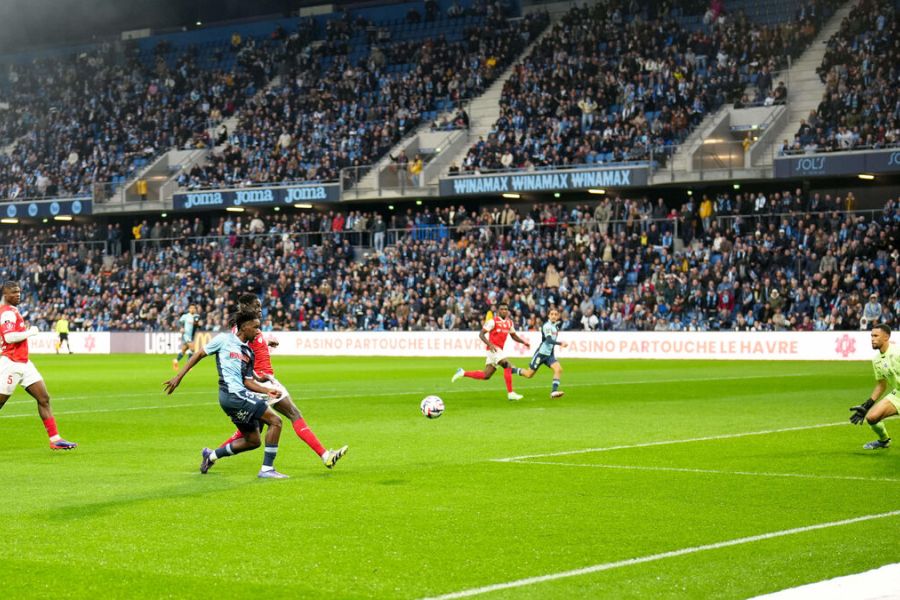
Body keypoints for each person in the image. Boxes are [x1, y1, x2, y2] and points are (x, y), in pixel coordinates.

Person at [218, 294, 348, 469]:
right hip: (262, 382)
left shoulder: (250, 327)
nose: (260, 309)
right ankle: (325, 456)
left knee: (252, 432)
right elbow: (241, 353)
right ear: (247, 307)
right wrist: (256, 377)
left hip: (264, 379)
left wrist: (265, 343)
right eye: (256, 306)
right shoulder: (240, 332)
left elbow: (252, 346)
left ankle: (211, 455)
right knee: (293, 413)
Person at [163, 310, 288, 478]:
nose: (258, 331)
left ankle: (211, 455)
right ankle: (267, 469)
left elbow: (248, 381)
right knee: (276, 421)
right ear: (243, 327)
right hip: (232, 395)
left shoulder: (248, 352)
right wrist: (179, 377)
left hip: (236, 396)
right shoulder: (224, 340)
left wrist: (266, 389)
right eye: (255, 327)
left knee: (253, 441)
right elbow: (199, 353)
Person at [0, 281, 77, 450]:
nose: (18, 294)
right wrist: (31, 332)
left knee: (44, 398)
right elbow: (9, 338)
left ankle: (55, 439)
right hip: (10, 363)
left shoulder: (13, 311)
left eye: (19, 291)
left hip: (24, 363)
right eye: (14, 292)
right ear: (6, 295)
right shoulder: (6, 313)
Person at [452, 302, 530, 401]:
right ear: (498, 311)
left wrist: (524, 342)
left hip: (498, 350)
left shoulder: (509, 322)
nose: (504, 311)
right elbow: (481, 334)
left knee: (486, 375)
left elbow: (513, 335)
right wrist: (490, 344)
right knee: (507, 365)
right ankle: (511, 393)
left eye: (506, 309)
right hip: (493, 349)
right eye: (502, 309)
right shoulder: (493, 321)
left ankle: (462, 373)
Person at [849, 323, 899, 449]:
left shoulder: (897, 353)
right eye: (871, 336)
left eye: (876, 336)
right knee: (872, 418)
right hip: (898, 393)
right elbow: (881, 385)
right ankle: (884, 441)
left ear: (886, 337)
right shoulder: (876, 360)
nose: (872, 339)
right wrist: (867, 405)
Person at [512, 307, 568, 398]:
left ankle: (554, 392)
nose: (554, 316)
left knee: (558, 369)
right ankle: (512, 370)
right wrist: (560, 343)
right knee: (529, 374)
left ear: (558, 316)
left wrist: (552, 352)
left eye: (555, 314)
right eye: (552, 314)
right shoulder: (547, 326)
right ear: (548, 316)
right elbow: (548, 340)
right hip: (541, 354)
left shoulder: (555, 326)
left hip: (549, 355)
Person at [173, 305, 200, 370]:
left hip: (191, 336)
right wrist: (181, 328)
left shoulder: (196, 316)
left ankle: (176, 361)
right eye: (191, 308)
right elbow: (180, 322)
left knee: (183, 351)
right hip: (186, 335)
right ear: (189, 309)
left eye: (194, 308)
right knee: (193, 349)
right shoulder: (185, 316)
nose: (192, 309)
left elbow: (196, 325)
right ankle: (188, 365)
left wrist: (197, 323)